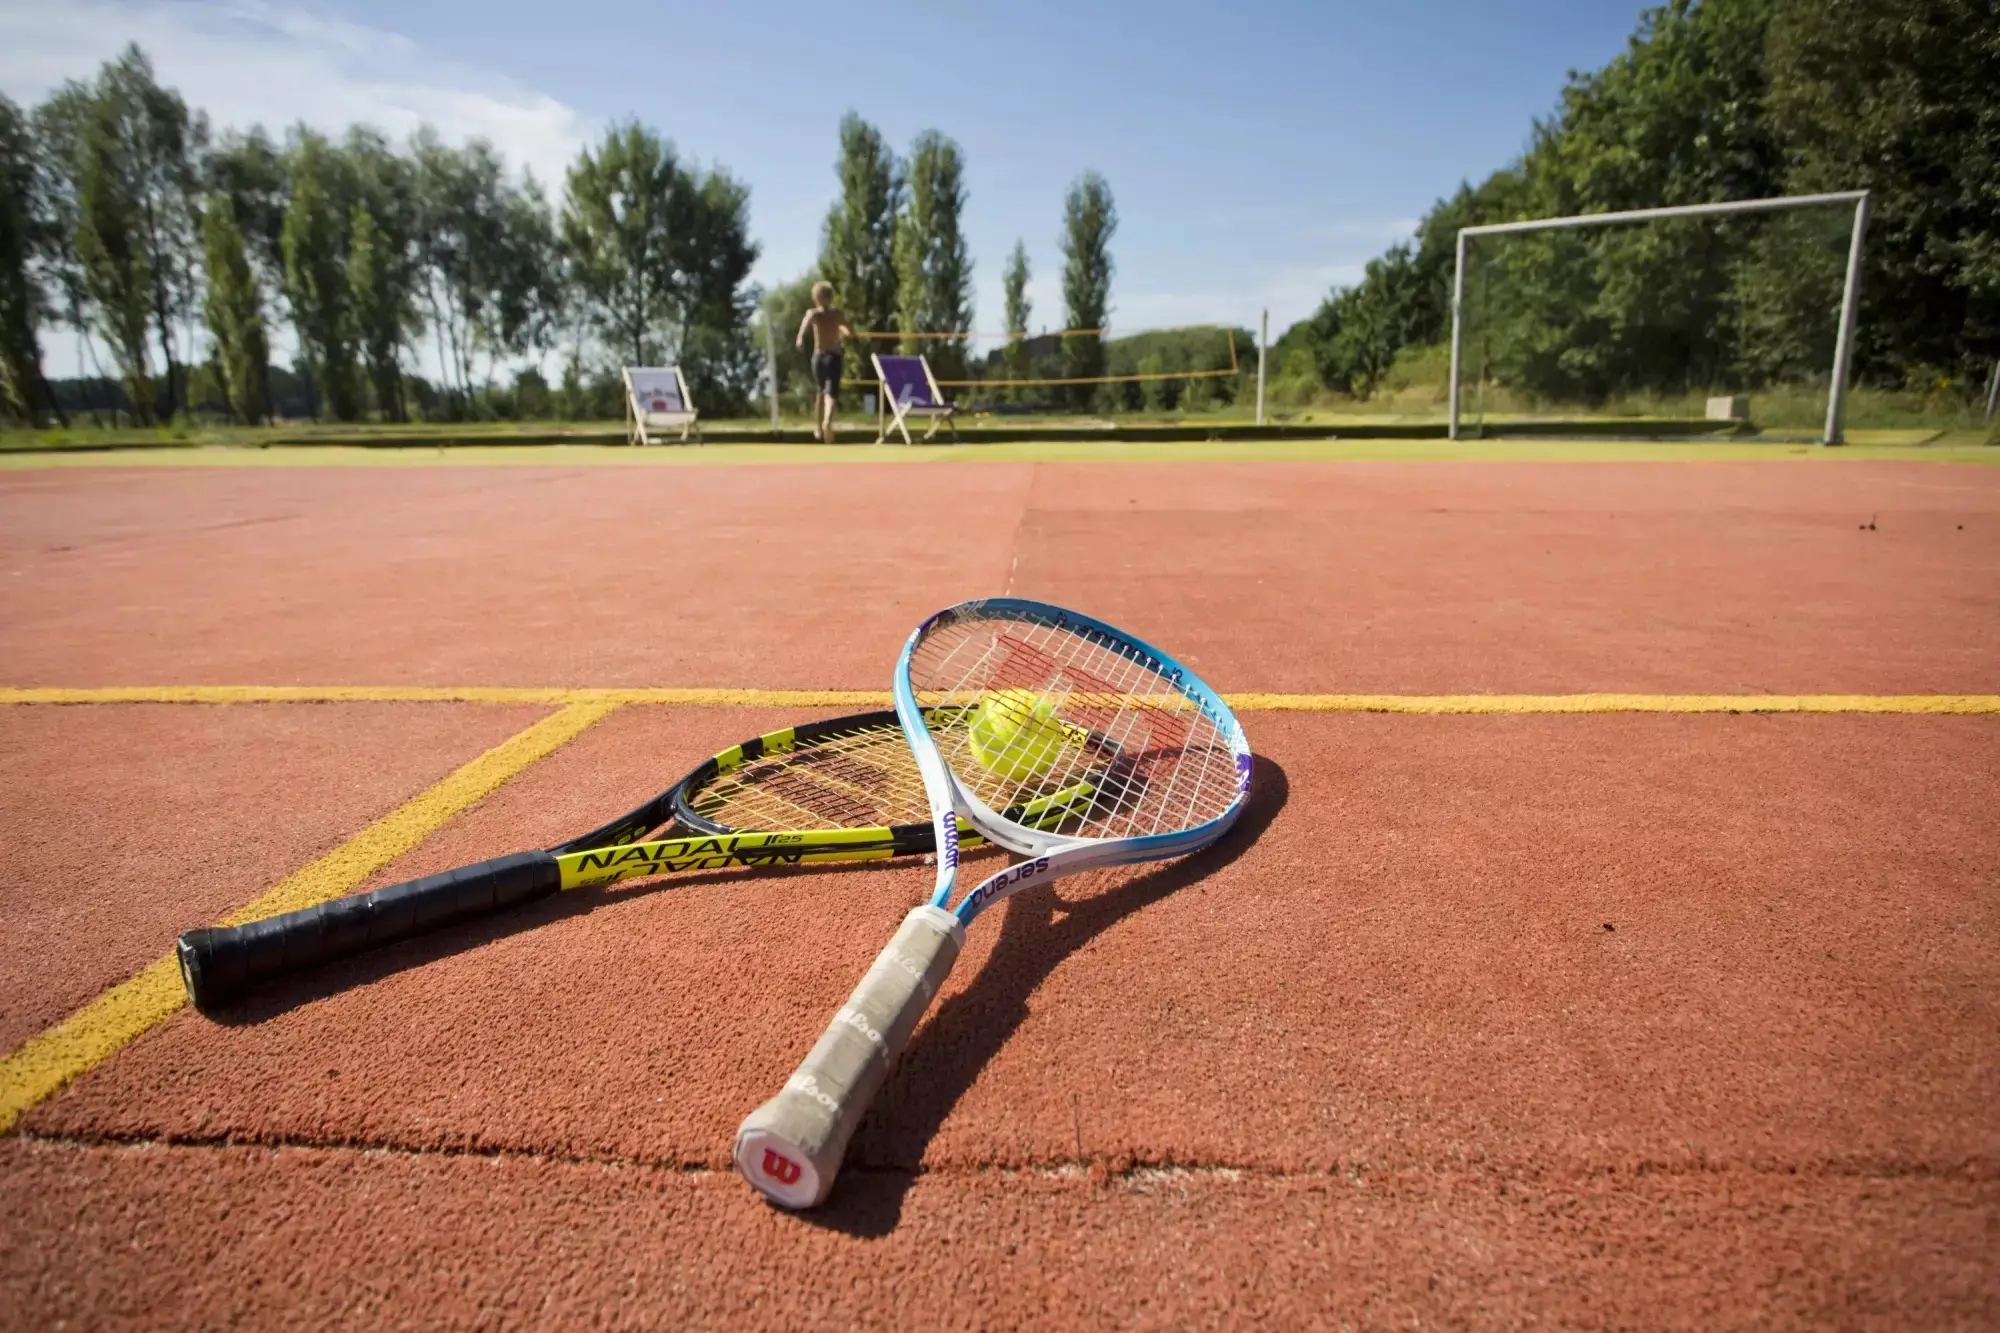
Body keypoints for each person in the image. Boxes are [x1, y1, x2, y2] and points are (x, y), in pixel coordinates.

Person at [796, 281, 856, 443]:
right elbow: (849, 331)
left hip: (818, 357)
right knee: (831, 392)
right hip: (833, 356)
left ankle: (818, 427)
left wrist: (800, 339)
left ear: (816, 298)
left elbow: (803, 329)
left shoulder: (813, 314)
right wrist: (844, 331)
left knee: (821, 391)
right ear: (830, 297)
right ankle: (827, 421)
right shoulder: (836, 314)